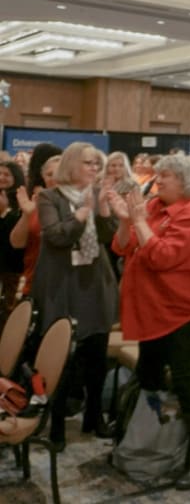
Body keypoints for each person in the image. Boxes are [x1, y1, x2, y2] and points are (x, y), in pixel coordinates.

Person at [108, 154, 190, 490]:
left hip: (185, 310)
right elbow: (122, 246)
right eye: (157, 176)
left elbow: (162, 256)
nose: (157, 182)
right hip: (154, 309)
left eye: (165, 177)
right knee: (149, 374)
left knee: (184, 380)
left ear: (185, 181)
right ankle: (149, 440)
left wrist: (139, 220)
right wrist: (126, 220)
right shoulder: (155, 207)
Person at [32, 143, 118, 450]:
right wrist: (81, 214)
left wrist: (104, 210)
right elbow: (56, 236)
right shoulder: (49, 197)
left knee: (97, 355)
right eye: (88, 163)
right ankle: (56, 425)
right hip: (63, 284)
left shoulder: (97, 194)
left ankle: (94, 417)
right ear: (71, 165)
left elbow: (109, 238)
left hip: (95, 282)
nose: (94, 168)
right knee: (63, 358)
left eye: (97, 164)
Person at [10, 146, 61, 299]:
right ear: (43, 177)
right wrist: (27, 215)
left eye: (59, 173)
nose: (54, 178)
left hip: (66, 286)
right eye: (49, 174)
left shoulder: (79, 204)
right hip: (34, 283)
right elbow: (17, 243)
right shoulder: (36, 203)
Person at [0, 160, 26, 312]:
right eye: (0, 173)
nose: (1, 177)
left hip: (13, 266)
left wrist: (4, 212)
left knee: (8, 308)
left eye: (6, 174)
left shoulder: (22, 199)